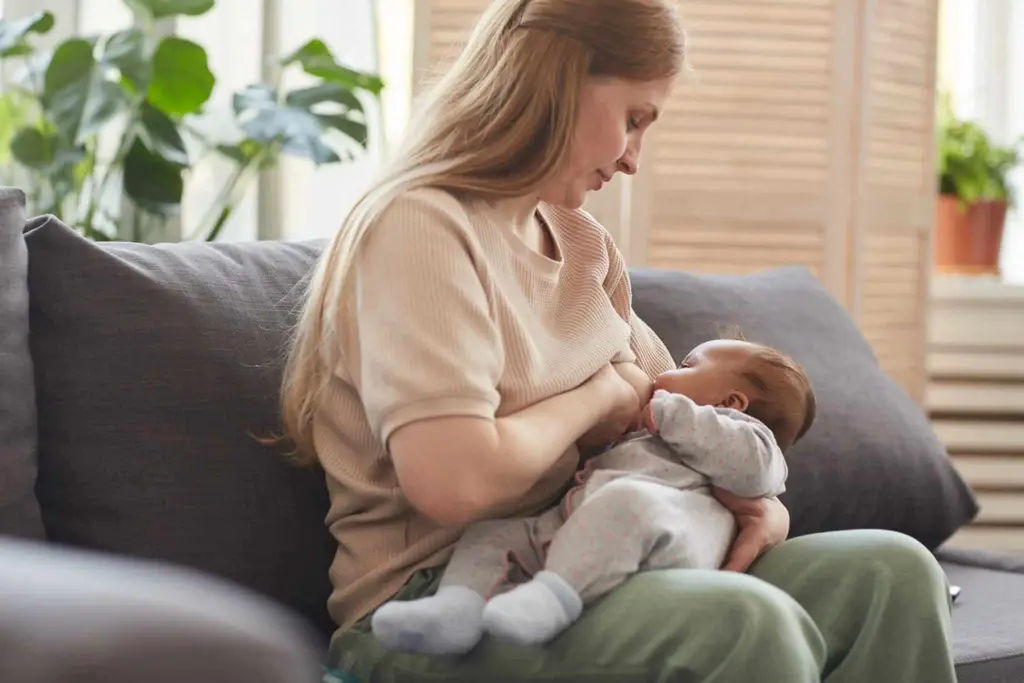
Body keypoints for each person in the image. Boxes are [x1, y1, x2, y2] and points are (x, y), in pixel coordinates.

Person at [278, 0, 959, 680]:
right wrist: (597, 393)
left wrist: (765, 510)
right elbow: (456, 480)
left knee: (890, 571)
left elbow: (677, 419)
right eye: (633, 119)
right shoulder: (422, 226)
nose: (633, 159)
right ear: (560, 81)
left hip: (604, 557)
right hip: (444, 600)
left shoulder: (585, 248)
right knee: (742, 622)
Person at [370, 338, 813, 654]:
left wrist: (669, 412)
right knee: (496, 535)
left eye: (686, 363)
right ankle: (456, 608)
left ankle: (553, 600)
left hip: (663, 532)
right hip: (580, 520)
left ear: (732, 403)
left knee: (626, 502)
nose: (664, 371)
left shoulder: (745, 436)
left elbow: (755, 474)